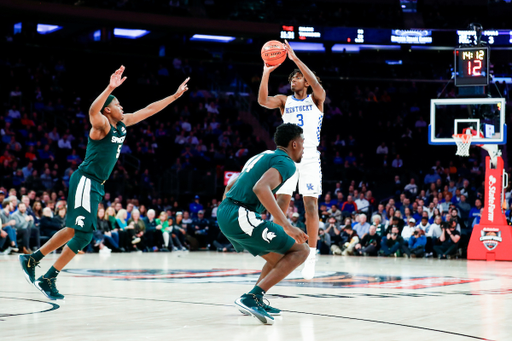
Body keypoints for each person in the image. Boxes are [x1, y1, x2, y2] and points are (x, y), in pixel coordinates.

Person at [19, 65, 190, 300]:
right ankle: (48, 277)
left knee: (72, 230)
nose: (123, 107)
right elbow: (92, 110)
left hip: (96, 184)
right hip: (85, 180)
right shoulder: (101, 126)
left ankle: (31, 259)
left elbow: (150, 109)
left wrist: (174, 95)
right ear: (108, 109)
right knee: (83, 235)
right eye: (118, 104)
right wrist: (110, 87)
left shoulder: (123, 123)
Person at [217, 123, 309, 325]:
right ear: (294, 144)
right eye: (303, 143)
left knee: (279, 258)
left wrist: (229, 208)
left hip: (227, 211)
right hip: (240, 214)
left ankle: (255, 298)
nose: (304, 147)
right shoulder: (286, 163)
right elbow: (261, 188)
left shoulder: (262, 156)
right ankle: (250, 298)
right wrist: (287, 226)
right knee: (302, 250)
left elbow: (232, 182)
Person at [258, 41, 325, 280]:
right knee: (281, 203)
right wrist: (266, 72)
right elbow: (262, 101)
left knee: (310, 206)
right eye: (292, 78)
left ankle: (312, 257)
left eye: (297, 77)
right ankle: (278, 249)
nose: (293, 80)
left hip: (309, 156)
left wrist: (296, 60)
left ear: (306, 81)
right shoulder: (285, 101)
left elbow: (316, 84)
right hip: (287, 156)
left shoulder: (317, 98)